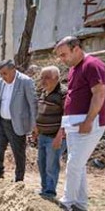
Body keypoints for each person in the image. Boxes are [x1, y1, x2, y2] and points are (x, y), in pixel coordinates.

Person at [54, 36, 105, 211]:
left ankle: (67, 201)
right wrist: (64, 127)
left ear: (76, 48)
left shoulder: (92, 65)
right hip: (73, 123)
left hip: (87, 123)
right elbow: (72, 97)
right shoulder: (73, 69)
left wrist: (88, 121)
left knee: (74, 163)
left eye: (64, 54)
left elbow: (99, 95)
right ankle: (80, 204)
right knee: (79, 164)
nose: (62, 59)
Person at [0, 59, 37, 181]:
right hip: (2, 122)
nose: (2, 76)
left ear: (13, 70)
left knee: (18, 153)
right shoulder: (1, 82)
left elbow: (33, 104)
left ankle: (19, 179)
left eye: (5, 73)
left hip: (17, 123)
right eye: (1, 74)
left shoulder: (25, 82)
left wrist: (34, 125)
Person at [33, 66, 66, 198]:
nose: (43, 81)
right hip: (42, 135)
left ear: (57, 79)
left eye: (47, 78)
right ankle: (44, 188)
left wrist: (60, 135)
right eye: (42, 77)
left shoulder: (63, 94)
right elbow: (40, 111)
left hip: (55, 137)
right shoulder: (44, 92)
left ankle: (50, 191)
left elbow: (67, 116)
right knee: (41, 163)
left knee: (51, 165)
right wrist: (36, 128)